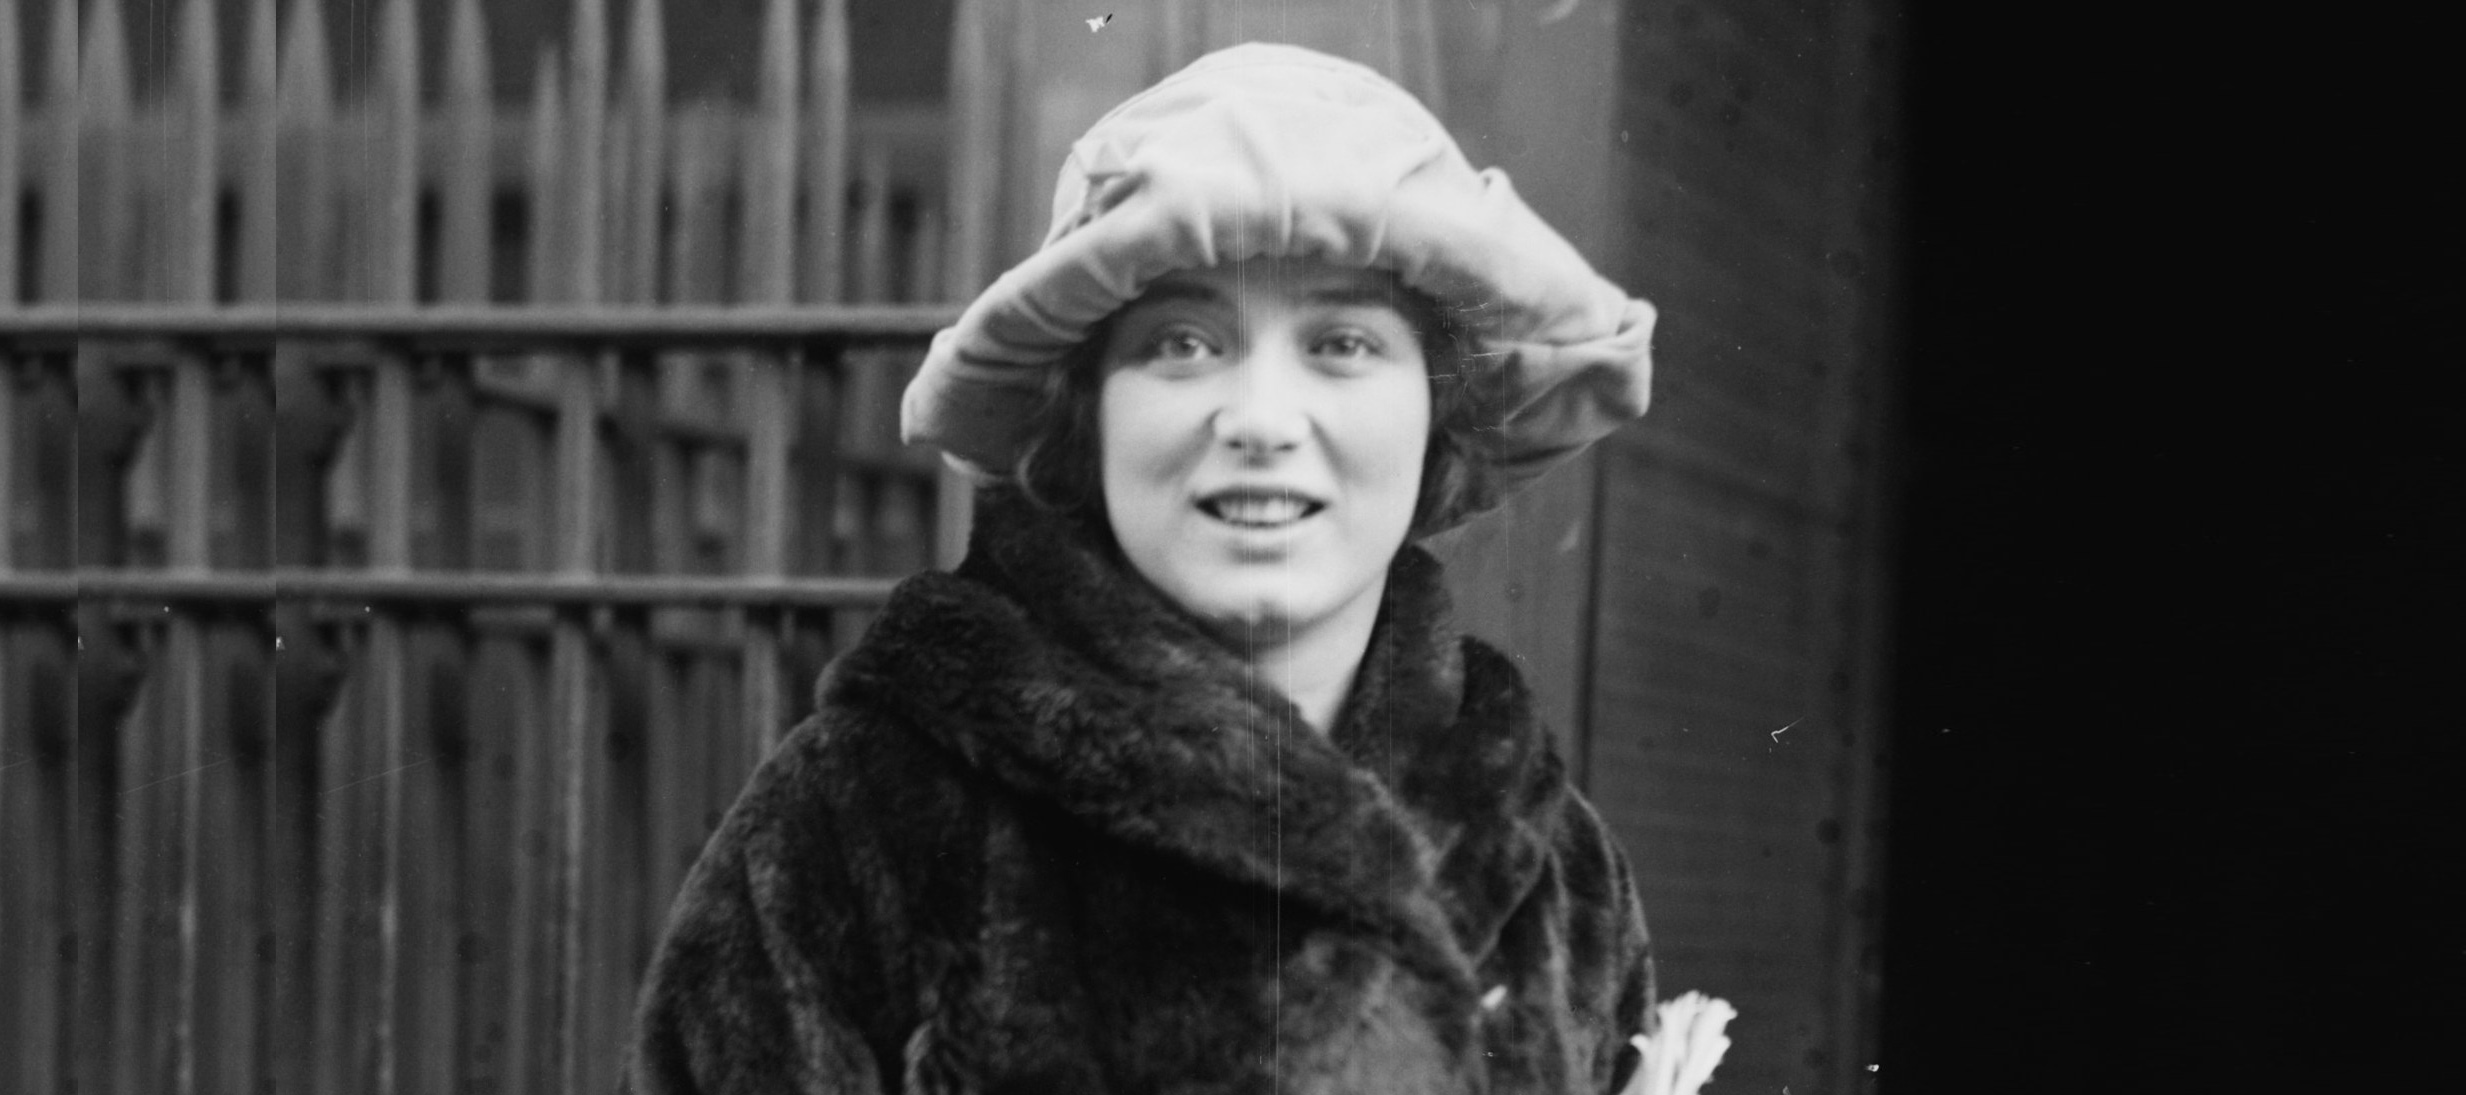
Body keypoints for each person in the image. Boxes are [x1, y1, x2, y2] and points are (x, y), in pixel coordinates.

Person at [626, 42, 1660, 1094]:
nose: (1261, 420)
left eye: (1343, 343)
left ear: (1439, 413)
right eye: (1183, 343)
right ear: (1088, 417)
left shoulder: (1558, 863)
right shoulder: (864, 819)